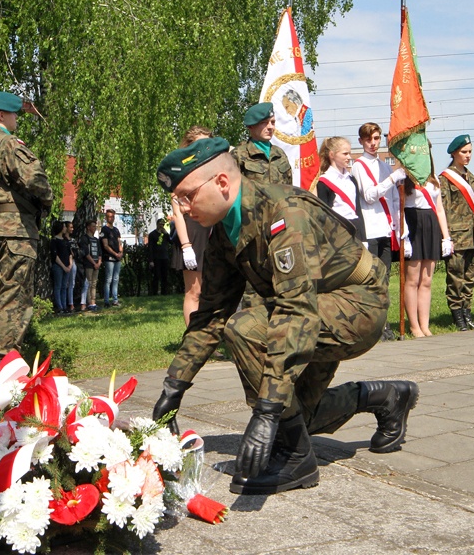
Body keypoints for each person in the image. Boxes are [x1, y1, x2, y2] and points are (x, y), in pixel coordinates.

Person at [152, 137, 418, 496]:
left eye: (187, 196)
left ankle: (295, 459)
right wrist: (173, 389)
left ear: (222, 183)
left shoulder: (283, 213)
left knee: (246, 331)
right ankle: (385, 397)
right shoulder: (224, 234)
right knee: (299, 416)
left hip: (357, 303)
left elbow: (295, 310)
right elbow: (210, 315)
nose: (182, 209)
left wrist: (265, 412)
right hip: (316, 304)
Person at [0, 91, 53, 356]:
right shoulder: (8, 144)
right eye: (14, 113)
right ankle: (7, 363)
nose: (16, 118)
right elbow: (36, 179)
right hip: (15, 230)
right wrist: (47, 201)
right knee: (15, 298)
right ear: (1, 115)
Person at [351, 122, 405, 341]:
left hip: (385, 227)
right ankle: (372, 326)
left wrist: (399, 224)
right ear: (361, 141)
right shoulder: (359, 166)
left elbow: (392, 199)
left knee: (384, 279)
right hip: (370, 228)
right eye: (369, 140)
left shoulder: (384, 166)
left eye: (376, 139)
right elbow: (369, 195)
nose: (373, 144)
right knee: (371, 279)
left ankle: (384, 323)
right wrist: (392, 178)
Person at [439, 135, 474, 331]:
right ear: (454, 153)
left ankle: (467, 312)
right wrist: (446, 237)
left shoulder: (472, 177)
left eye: (470, 152)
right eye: (464, 152)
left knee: (470, 277)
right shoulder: (445, 178)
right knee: (456, 277)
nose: (468, 156)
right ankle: (457, 314)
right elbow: (443, 207)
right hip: (458, 235)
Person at [171, 126, 214, 325]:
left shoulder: (214, 167)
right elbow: (178, 212)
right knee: (194, 291)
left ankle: (209, 332)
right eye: (199, 142)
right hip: (193, 231)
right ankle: (193, 336)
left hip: (213, 228)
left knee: (210, 290)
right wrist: (186, 246)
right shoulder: (180, 168)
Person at [403, 177, 451, 338]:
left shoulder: (434, 178)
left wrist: (446, 237)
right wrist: (404, 236)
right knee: (412, 279)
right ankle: (414, 325)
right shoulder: (403, 177)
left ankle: (425, 324)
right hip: (412, 222)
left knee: (427, 280)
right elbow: (399, 207)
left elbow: (440, 209)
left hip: (431, 223)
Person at [315, 136, 365, 240]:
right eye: (345, 154)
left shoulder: (351, 179)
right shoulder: (324, 181)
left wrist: (364, 238)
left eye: (349, 153)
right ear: (332, 155)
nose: (349, 157)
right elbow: (323, 215)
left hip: (356, 229)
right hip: (338, 230)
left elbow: (358, 210)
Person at [230, 102, 292, 185]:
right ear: (251, 126)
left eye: (272, 122)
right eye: (264, 123)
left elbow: (289, 188)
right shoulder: (239, 154)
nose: (270, 127)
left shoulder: (279, 154)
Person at [100, 209, 124, 307]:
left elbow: (119, 242)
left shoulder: (116, 230)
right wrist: (115, 254)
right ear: (106, 217)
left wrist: (121, 252)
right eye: (109, 216)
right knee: (108, 279)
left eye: (113, 216)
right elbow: (105, 245)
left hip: (117, 258)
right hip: (109, 258)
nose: (111, 218)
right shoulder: (104, 230)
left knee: (116, 279)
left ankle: (115, 299)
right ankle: (106, 301)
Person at [50, 220, 72, 314]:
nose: (65, 228)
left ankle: (64, 305)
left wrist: (70, 265)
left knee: (64, 286)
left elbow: (70, 253)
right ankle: (59, 306)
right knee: (58, 286)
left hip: (67, 266)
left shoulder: (65, 240)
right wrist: (63, 266)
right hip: (59, 266)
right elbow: (55, 256)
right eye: (63, 227)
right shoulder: (54, 241)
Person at [78, 220, 101, 311]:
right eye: (93, 226)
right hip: (89, 264)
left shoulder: (96, 239)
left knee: (94, 283)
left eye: (95, 226)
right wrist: (94, 263)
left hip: (96, 263)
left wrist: (99, 262)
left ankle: (93, 301)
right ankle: (89, 302)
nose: (94, 228)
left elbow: (100, 252)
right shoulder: (84, 238)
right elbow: (86, 253)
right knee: (89, 282)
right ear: (88, 227)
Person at [147, 219, 172, 295]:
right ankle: (154, 292)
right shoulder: (152, 234)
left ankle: (164, 292)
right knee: (156, 276)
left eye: (163, 224)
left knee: (165, 276)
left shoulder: (164, 234)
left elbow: (171, 241)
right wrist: (151, 260)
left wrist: (166, 233)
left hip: (164, 257)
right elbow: (150, 248)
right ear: (157, 224)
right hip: (156, 258)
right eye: (160, 224)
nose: (162, 226)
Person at [64, 221, 78, 313]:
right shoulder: (63, 240)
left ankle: (71, 303)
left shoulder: (73, 240)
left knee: (72, 283)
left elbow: (76, 251)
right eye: (70, 227)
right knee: (65, 283)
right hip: (65, 263)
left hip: (73, 262)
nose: (72, 229)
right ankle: (64, 304)